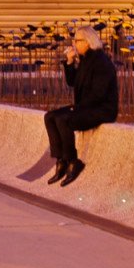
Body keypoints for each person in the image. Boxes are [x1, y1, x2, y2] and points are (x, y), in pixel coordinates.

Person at [43, 26, 119, 187]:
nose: (74, 44)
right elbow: (73, 82)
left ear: (88, 42)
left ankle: (73, 161)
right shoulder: (85, 59)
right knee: (50, 117)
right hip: (86, 106)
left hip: (102, 110)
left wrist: (77, 109)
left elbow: (98, 94)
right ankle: (61, 160)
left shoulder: (101, 62)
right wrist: (70, 62)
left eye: (77, 40)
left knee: (65, 120)